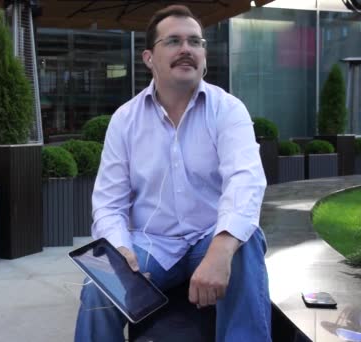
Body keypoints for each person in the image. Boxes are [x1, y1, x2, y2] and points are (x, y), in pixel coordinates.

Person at [74, 4, 271, 342]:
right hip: (152, 244)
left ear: (204, 56)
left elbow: (246, 180)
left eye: (195, 42)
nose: (186, 50)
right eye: (174, 41)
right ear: (149, 58)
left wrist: (220, 251)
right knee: (98, 284)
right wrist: (120, 250)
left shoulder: (228, 110)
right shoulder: (125, 120)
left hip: (209, 236)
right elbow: (108, 203)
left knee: (245, 240)